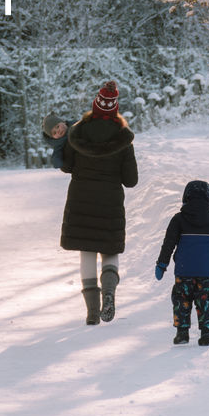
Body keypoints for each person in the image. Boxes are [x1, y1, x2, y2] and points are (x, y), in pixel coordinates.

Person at [60, 80, 138, 325]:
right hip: (110, 202)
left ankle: (92, 312)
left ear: (94, 107)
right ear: (115, 110)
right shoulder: (123, 139)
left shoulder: (78, 132)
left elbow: (66, 166)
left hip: (81, 200)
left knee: (87, 252)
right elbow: (131, 180)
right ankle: (110, 292)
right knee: (110, 251)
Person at [155, 180, 209, 346]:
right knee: (206, 299)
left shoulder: (179, 219)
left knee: (181, 298)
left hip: (184, 269)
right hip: (207, 271)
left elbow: (169, 243)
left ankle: (182, 333)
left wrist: (162, 264)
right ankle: (207, 334)